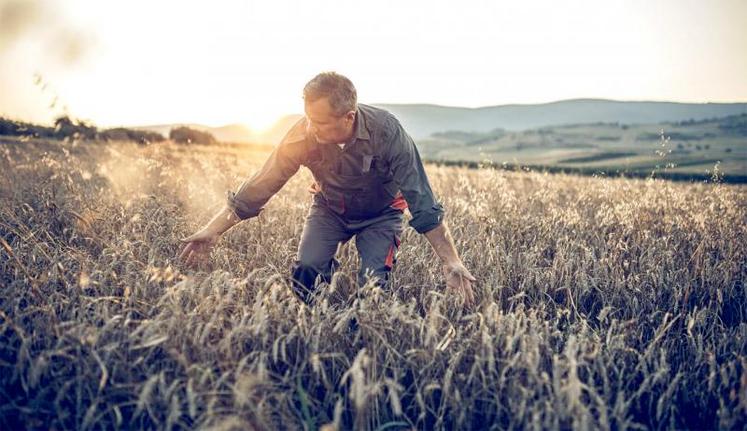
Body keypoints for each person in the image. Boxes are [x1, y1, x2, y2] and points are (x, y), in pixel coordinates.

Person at [178, 72, 476, 307]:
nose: (311, 128)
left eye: (319, 122)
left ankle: (362, 341)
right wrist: (213, 229)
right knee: (306, 270)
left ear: (349, 117)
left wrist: (452, 261)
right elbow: (262, 184)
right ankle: (314, 328)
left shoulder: (388, 133)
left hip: (381, 215)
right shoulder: (303, 133)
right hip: (330, 210)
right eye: (308, 118)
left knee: (374, 288)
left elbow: (422, 200)